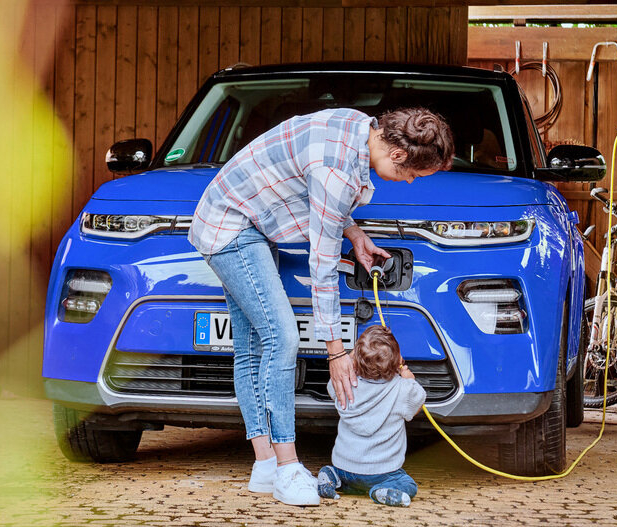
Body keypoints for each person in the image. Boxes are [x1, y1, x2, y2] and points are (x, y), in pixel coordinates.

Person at [188, 107, 454, 506]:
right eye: (412, 173)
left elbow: (315, 192)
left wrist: (354, 231)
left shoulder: (357, 125)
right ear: (399, 155)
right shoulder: (338, 172)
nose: (410, 180)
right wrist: (336, 350)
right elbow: (323, 265)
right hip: (230, 225)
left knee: (253, 348)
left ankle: (264, 465)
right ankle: (287, 468)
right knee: (282, 338)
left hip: (246, 219)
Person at [316, 325, 426, 507]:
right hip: (382, 472)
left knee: (346, 480)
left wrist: (351, 359)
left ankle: (332, 476)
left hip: (345, 468)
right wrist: (408, 378)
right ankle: (381, 490)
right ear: (398, 359)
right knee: (407, 483)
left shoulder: (346, 385)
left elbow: (331, 388)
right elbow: (417, 403)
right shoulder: (403, 389)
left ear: (355, 361)